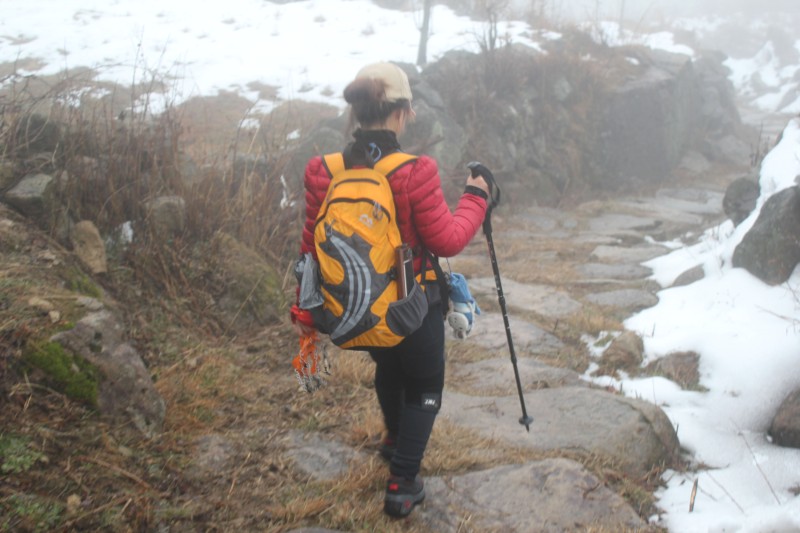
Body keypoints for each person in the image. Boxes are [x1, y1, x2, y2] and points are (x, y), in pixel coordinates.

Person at [290, 61, 490, 518]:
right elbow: (447, 241)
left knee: (390, 366)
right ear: (404, 113)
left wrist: (304, 309)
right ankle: (402, 481)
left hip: (356, 309)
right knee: (425, 384)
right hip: (413, 308)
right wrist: (476, 196)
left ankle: (394, 438)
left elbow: (309, 246)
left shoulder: (323, 170)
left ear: (356, 112)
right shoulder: (415, 171)